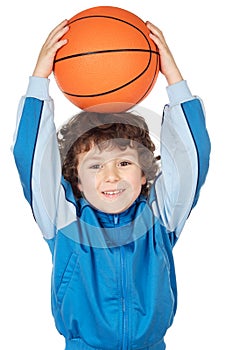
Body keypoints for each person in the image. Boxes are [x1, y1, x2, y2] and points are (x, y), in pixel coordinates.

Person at [13, 19, 210, 350]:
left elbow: (193, 157)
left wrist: (173, 78)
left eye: (124, 162)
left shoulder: (159, 219)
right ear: (75, 178)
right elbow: (30, 158)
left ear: (145, 174)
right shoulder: (65, 222)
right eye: (95, 166)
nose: (112, 176)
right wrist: (39, 81)